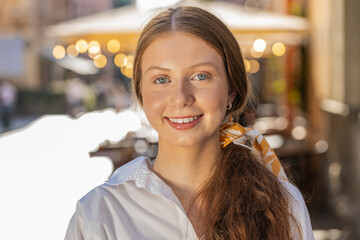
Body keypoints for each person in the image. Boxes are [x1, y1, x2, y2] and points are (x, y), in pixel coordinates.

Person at [65, 6, 314, 240]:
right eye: (162, 79)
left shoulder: (283, 204)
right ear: (141, 94)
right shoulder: (98, 216)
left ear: (232, 91)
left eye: (201, 76)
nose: (181, 97)